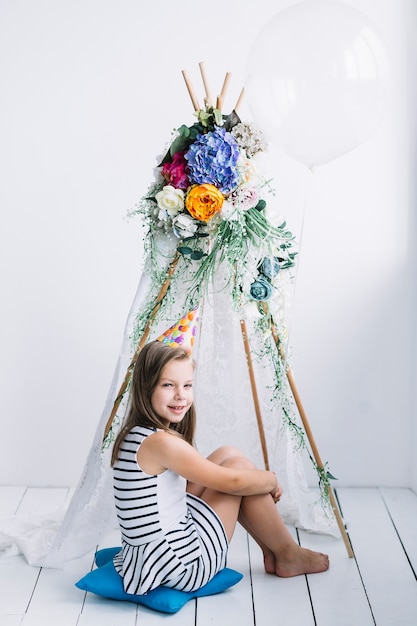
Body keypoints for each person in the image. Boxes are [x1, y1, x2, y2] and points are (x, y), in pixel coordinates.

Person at [111, 340, 329, 596]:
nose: (181, 395)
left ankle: (274, 552)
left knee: (228, 454)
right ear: (145, 387)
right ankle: (287, 553)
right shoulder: (161, 443)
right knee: (238, 472)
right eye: (168, 385)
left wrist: (255, 480)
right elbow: (232, 483)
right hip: (183, 565)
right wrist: (269, 481)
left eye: (187, 385)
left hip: (151, 557)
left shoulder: (137, 434)